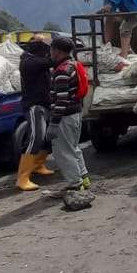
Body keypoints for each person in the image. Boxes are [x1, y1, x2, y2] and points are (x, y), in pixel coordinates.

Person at [48, 37, 90, 193]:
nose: (50, 52)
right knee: (73, 148)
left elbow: (61, 100)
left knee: (63, 152)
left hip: (64, 118)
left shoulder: (61, 72)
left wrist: (53, 123)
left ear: (57, 51)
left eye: (51, 49)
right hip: (76, 113)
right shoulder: (73, 65)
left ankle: (75, 185)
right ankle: (83, 178)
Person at [16, 34, 57, 191]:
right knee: (36, 137)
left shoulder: (36, 59)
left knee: (48, 137)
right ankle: (23, 177)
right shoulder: (28, 61)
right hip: (34, 105)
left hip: (45, 103)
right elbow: (51, 61)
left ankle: (38, 165)